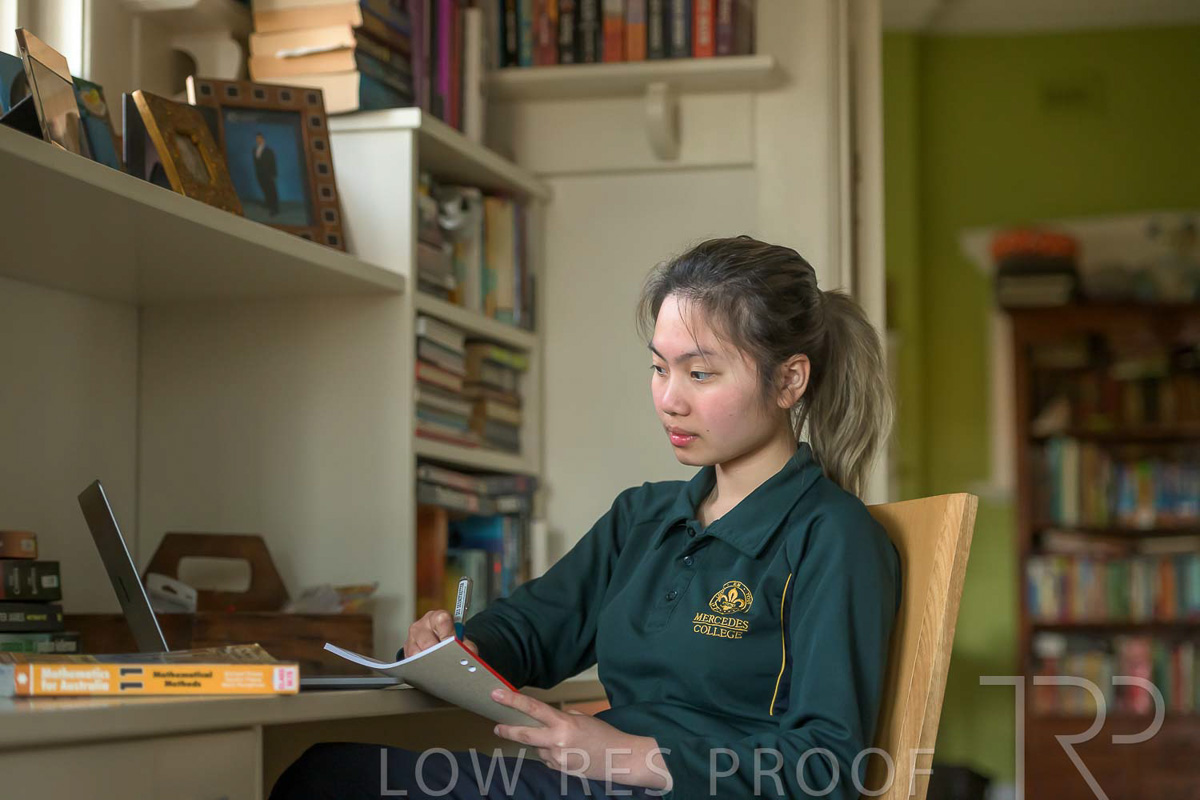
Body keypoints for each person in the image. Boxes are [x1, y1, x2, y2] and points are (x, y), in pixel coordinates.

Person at [270, 236, 901, 799]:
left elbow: (826, 766)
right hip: (596, 780)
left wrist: (629, 756)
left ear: (789, 381)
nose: (669, 399)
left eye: (700, 373)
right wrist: (453, 650)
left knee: (332, 781)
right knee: (327, 771)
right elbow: (533, 631)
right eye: (659, 368)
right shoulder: (643, 517)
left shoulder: (834, 537)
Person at [253, 132, 279, 216]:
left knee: (271, 190)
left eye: (260, 138)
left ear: (263, 139)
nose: (258, 140)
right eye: (257, 139)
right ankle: (268, 203)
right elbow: (256, 163)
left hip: (268, 174)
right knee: (265, 189)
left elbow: (273, 163)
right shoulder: (254, 150)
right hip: (260, 174)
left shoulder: (269, 151)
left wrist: (274, 174)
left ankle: (275, 208)